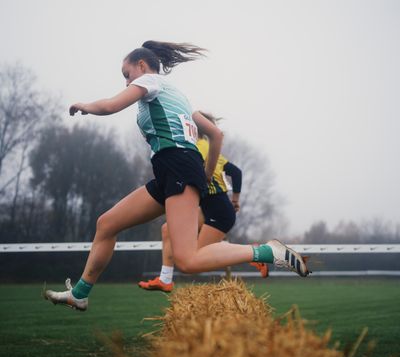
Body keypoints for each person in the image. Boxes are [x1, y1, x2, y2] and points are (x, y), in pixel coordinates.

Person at [44, 40, 309, 312]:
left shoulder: (150, 81)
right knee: (107, 223)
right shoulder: (180, 97)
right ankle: (80, 293)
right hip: (170, 171)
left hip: (177, 166)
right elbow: (216, 134)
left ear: (142, 65)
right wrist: (205, 175)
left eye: (127, 74)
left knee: (187, 261)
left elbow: (112, 106)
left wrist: (86, 106)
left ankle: (268, 252)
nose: (127, 83)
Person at [138, 112, 268, 292]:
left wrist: (234, 200)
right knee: (167, 229)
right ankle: (165, 279)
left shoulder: (201, 146)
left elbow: (235, 173)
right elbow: (235, 172)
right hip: (207, 208)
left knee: (194, 260)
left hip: (219, 211)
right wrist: (235, 199)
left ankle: (254, 253)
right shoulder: (206, 152)